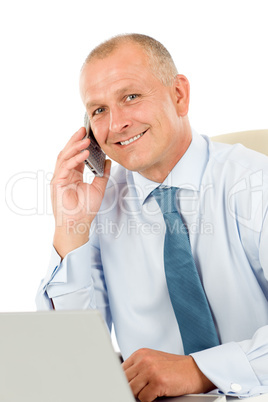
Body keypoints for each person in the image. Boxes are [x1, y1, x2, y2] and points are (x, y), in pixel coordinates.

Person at [36, 33, 268, 401]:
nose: (116, 125)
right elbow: (72, 362)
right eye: (98, 110)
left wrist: (199, 370)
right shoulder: (99, 207)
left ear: (179, 95)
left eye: (130, 97)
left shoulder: (256, 183)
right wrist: (71, 229)